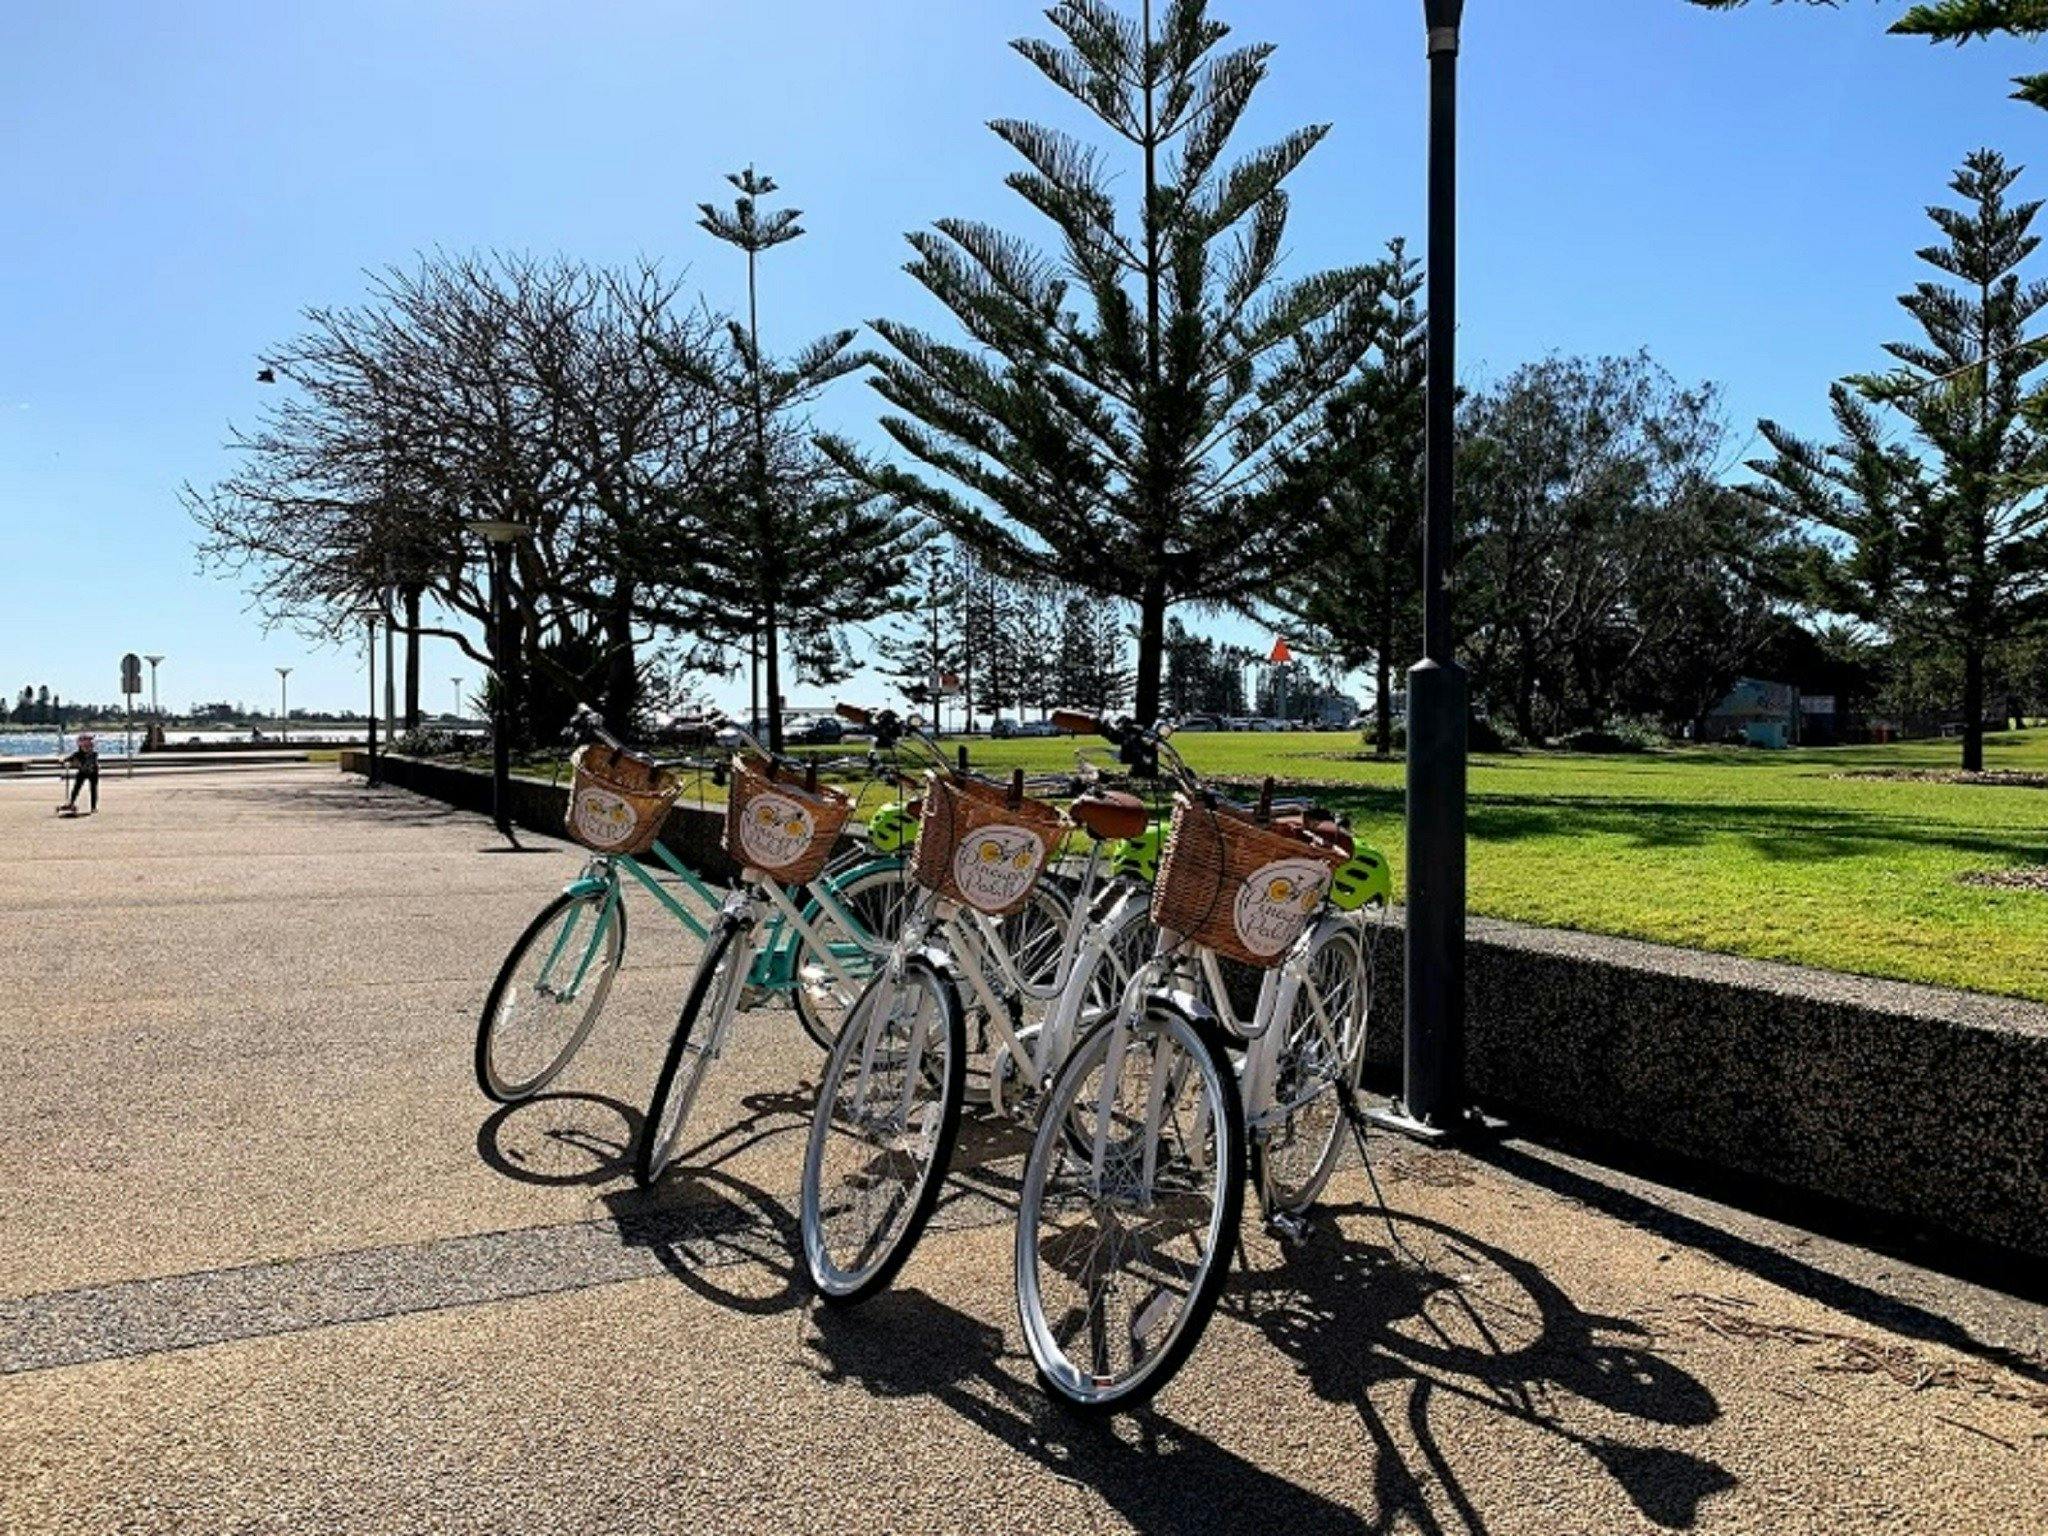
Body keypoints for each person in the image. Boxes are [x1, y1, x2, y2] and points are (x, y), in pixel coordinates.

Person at [61, 732, 100, 815]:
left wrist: (76, 763)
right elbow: (68, 759)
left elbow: (90, 762)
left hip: (93, 772)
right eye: (84, 745)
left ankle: (93, 807)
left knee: (93, 789)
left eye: (88, 745)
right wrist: (66, 763)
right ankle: (71, 803)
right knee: (76, 788)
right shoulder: (78, 754)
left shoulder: (93, 754)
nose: (87, 747)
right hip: (82, 772)